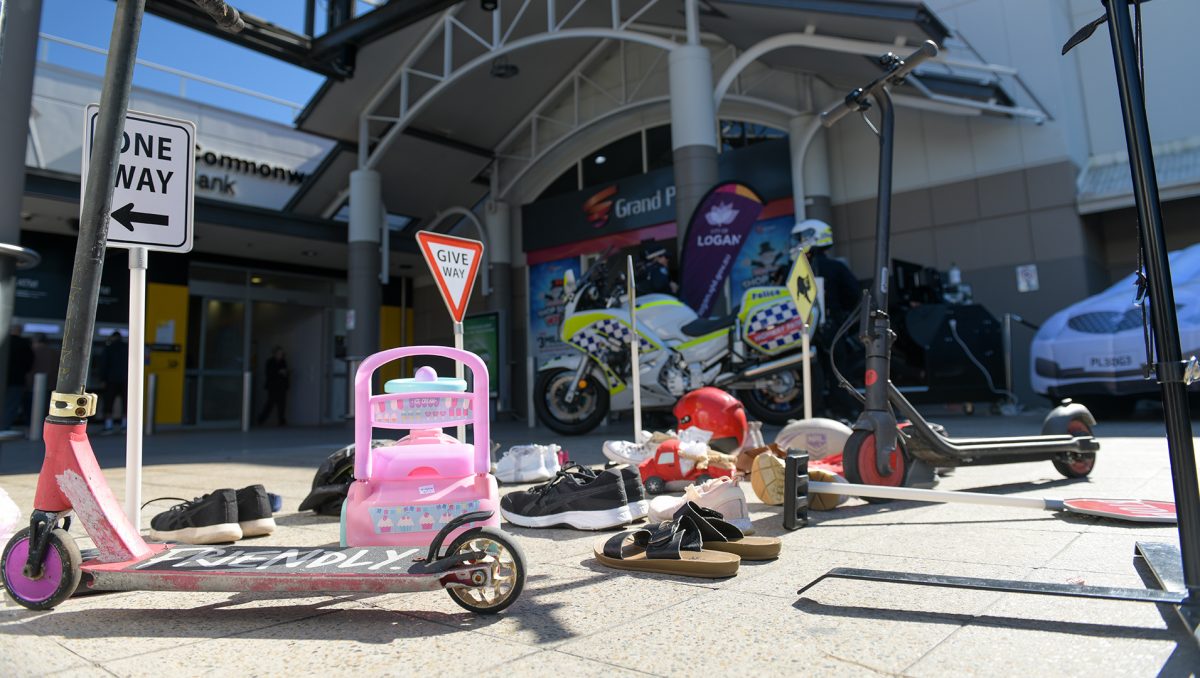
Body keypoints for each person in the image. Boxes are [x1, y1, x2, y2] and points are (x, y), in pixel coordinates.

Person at [792, 219, 862, 418]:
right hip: (833, 328)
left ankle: (815, 414)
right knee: (838, 371)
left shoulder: (796, 269)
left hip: (804, 330)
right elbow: (855, 296)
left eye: (800, 238)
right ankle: (844, 412)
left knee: (812, 374)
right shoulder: (836, 267)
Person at [97, 331, 129, 432]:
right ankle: (125, 425)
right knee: (126, 402)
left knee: (109, 402)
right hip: (126, 379)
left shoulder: (108, 348)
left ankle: (108, 426)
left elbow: (103, 365)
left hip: (111, 379)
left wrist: (102, 379)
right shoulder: (127, 348)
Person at [3, 325, 33, 430]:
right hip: (17, 380)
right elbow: (29, 363)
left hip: (3, 378)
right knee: (11, 405)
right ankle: (4, 428)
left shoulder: (4, 341)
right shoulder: (24, 344)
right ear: (20, 331)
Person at [258, 346, 290, 426]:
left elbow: (285, 373)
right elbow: (269, 373)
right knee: (270, 403)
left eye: (282, 353)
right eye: (279, 353)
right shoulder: (270, 362)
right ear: (275, 353)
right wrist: (279, 372)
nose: (281, 355)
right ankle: (260, 420)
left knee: (282, 404)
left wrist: (285, 373)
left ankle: (281, 421)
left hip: (282, 386)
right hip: (273, 386)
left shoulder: (283, 361)